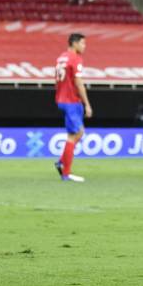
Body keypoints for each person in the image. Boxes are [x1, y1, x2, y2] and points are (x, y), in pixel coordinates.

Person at [54, 33, 92, 183]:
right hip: (71, 101)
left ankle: (62, 161)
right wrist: (87, 104)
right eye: (82, 43)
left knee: (79, 132)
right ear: (74, 43)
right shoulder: (75, 59)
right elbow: (78, 82)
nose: (84, 46)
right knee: (73, 136)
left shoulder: (60, 58)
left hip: (61, 99)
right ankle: (66, 173)